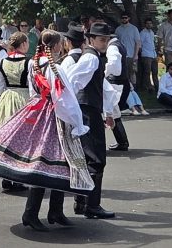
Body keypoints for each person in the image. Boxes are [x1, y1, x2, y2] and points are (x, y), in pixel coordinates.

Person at [0, 30, 93, 232]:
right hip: (54, 117)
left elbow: (33, 92)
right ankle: (32, 213)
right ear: (56, 46)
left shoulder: (36, 63)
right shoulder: (54, 68)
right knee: (47, 166)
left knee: (54, 166)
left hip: (38, 113)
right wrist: (77, 123)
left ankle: (54, 211)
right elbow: (64, 99)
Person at [61, 21, 119, 220]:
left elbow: (101, 87)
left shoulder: (93, 57)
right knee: (95, 159)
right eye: (101, 39)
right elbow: (72, 80)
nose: (105, 43)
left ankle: (82, 202)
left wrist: (108, 112)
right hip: (87, 111)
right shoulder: (91, 57)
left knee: (85, 159)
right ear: (91, 39)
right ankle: (92, 206)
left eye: (107, 40)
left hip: (88, 109)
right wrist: (71, 107)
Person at [0, 31, 31, 191]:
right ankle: (18, 178)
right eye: (27, 42)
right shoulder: (29, 62)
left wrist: (8, 94)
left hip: (7, 98)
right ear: (23, 44)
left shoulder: (2, 62)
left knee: (6, 138)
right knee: (22, 139)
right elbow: (32, 86)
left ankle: (5, 176)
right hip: (24, 99)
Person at [113, 14, 139, 88]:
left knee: (132, 73)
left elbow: (138, 42)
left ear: (129, 18)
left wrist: (136, 55)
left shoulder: (134, 29)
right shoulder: (118, 29)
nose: (124, 19)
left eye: (125, 18)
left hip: (131, 55)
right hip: (121, 55)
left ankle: (134, 89)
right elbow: (115, 42)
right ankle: (125, 88)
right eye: (122, 18)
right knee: (123, 73)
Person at [137, 19, 158, 96]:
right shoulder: (143, 33)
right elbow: (140, 44)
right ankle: (149, 87)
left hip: (153, 54)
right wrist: (141, 53)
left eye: (150, 23)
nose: (149, 25)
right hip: (146, 55)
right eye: (147, 23)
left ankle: (157, 86)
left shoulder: (152, 32)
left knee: (155, 72)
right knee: (147, 72)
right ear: (145, 24)